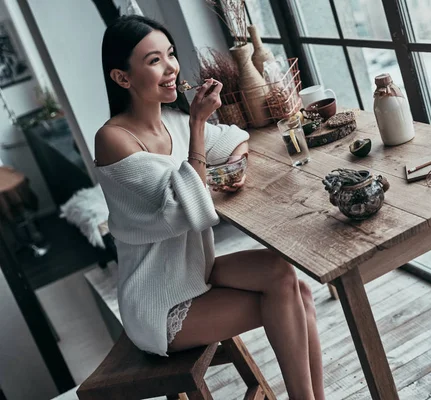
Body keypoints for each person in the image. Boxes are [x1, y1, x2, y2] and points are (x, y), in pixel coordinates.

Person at [95, 15, 325, 400]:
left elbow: (233, 138)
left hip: (196, 271)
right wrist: (199, 126)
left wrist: (224, 171)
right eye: (154, 61)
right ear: (123, 78)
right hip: (160, 302)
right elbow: (186, 210)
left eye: (170, 54)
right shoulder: (114, 140)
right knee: (290, 298)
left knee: (286, 276)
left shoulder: (174, 122)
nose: (171, 67)